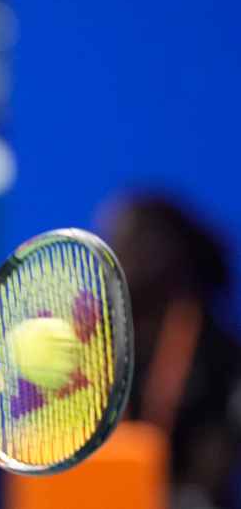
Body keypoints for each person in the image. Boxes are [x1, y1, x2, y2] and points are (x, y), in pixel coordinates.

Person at [100, 194, 241, 509]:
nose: (115, 257)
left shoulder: (221, 357)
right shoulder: (92, 349)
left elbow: (208, 478)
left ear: (165, 254)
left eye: (128, 243)